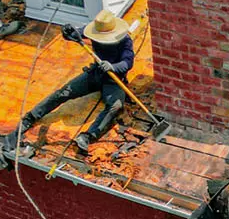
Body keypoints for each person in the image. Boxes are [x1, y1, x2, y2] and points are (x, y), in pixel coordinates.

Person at [7, 10, 135, 150]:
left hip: (113, 79)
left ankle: (88, 136)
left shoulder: (124, 39)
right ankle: (31, 117)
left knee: (115, 106)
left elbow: (128, 62)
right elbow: (75, 34)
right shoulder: (95, 31)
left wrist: (113, 67)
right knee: (64, 92)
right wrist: (68, 32)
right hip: (95, 74)